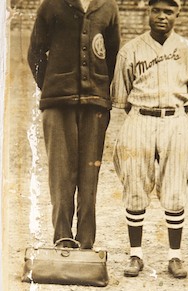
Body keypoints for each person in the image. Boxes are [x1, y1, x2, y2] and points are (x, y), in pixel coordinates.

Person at [111, 0, 188, 279]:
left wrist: (169, 115)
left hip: (175, 119)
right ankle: (135, 254)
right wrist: (144, 114)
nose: (162, 16)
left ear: (178, 14)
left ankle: (175, 257)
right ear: (148, 11)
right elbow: (122, 98)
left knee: (174, 190)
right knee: (135, 185)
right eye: (157, 10)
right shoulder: (130, 50)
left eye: (169, 11)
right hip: (139, 116)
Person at [27, 0, 120, 249]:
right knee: (61, 174)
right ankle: (63, 238)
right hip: (58, 104)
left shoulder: (108, 7)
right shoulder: (52, 5)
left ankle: (87, 240)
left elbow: (112, 55)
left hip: (95, 104)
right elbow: (35, 53)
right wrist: (52, 86)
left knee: (90, 176)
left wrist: (100, 90)